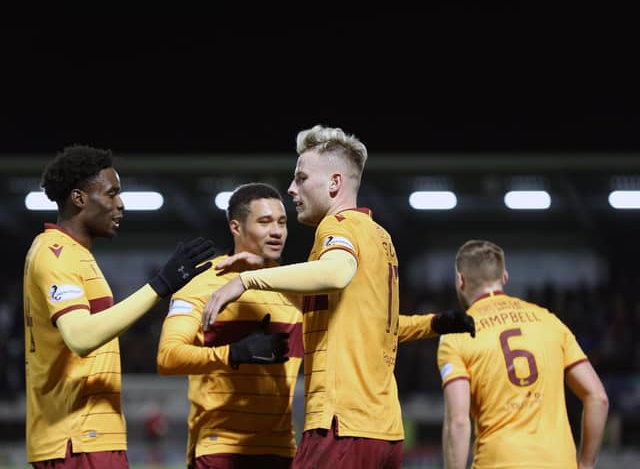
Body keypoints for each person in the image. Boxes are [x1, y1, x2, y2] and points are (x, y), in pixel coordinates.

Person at [201, 125, 475, 468]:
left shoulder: (337, 226)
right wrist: (435, 322)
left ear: (334, 183)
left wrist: (247, 280)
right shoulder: (380, 237)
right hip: (384, 430)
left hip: (340, 425)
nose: (291, 188)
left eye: (301, 178)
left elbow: (336, 271)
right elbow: (372, 324)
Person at [23, 145, 216, 468]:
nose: (121, 204)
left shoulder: (77, 254)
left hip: (91, 435)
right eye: (111, 194)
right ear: (79, 198)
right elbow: (80, 336)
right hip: (76, 438)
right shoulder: (55, 252)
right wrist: (160, 286)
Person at [156, 182, 299, 469]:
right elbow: (167, 357)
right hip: (220, 447)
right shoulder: (203, 283)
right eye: (265, 222)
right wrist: (234, 353)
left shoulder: (295, 287)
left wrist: (419, 326)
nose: (277, 231)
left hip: (281, 450)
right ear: (236, 227)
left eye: (282, 222)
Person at [437, 240, 609, 469]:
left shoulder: (456, 335)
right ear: (504, 277)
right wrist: (586, 464)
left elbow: (458, 422)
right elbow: (598, 397)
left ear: (460, 281)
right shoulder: (550, 322)